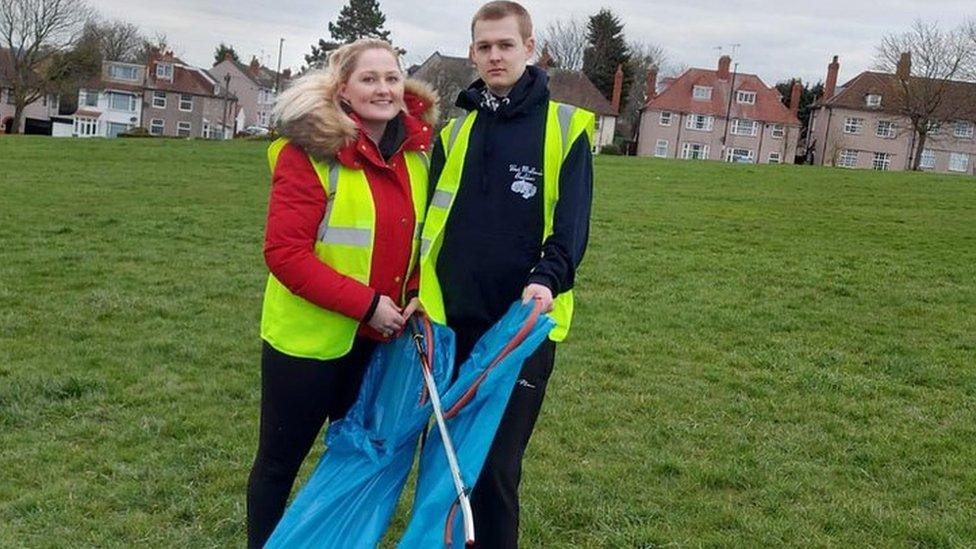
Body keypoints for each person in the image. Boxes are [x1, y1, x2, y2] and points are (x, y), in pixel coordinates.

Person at [247, 38, 438, 549]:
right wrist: (368, 305)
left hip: (379, 342)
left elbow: (422, 239)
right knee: (278, 464)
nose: (383, 88)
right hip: (309, 343)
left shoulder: (418, 155)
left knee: (356, 459)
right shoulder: (307, 153)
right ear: (343, 90)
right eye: (369, 79)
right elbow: (285, 254)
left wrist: (415, 291)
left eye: (392, 78)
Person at [416, 1, 595, 546]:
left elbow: (572, 227)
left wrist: (547, 277)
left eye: (505, 45)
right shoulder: (455, 132)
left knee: (494, 470)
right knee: (445, 465)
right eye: (484, 46)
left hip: (521, 327)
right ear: (472, 52)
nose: (494, 56)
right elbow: (428, 222)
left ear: (530, 49)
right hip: (451, 324)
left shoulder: (566, 128)